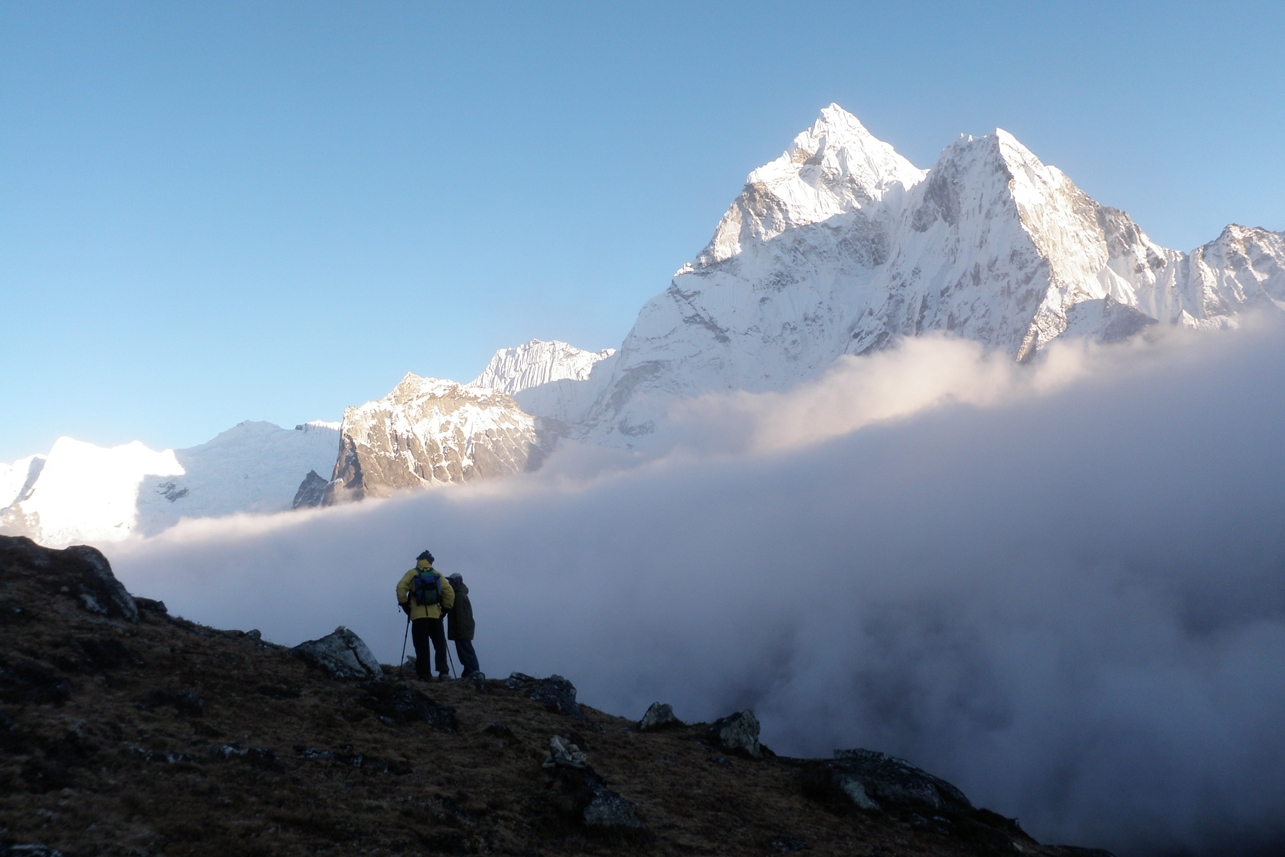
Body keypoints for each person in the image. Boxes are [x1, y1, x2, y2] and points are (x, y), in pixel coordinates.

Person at [396, 550, 455, 682]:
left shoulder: (412, 573)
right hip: (435, 615)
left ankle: (424, 675)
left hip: (418, 617)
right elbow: (449, 593)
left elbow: (400, 588)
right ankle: (443, 673)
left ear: (419, 560)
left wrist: (406, 605)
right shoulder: (437, 574)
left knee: (421, 646)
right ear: (430, 561)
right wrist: (444, 610)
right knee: (439, 644)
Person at [445, 573, 481, 678]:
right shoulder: (459, 595)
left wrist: (460, 631)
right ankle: (470, 673)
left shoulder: (459, 596)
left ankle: (473, 673)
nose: (449, 583)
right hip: (462, 630)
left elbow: (462, 616)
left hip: (462, 630)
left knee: (466, 653)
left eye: (450, 581)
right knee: (465, 652)